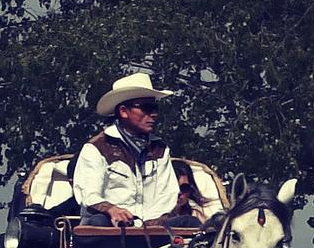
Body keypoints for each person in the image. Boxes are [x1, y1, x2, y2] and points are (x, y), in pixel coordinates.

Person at [73, 73, 215, 228]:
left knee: (190, 222)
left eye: (155, 108)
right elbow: (89, 194)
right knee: (98, 222)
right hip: (111, 226)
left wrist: (149, 224)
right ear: (123, 112)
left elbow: (167, 195)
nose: (154, 114)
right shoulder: (97, 147)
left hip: (150, 226)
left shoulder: (160, 149)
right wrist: (111, 210)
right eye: (146, 108)